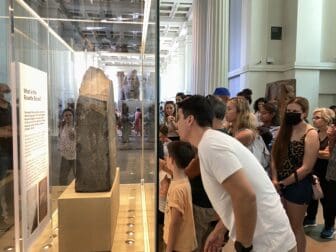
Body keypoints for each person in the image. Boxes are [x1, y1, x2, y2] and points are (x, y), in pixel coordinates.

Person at [177, 95, 296, 252]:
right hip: (271, 240)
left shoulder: (211, 145)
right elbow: (234, 194)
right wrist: (220, 229)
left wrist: (244, 246)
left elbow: (245, 195)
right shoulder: (212, 140)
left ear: (190, 119)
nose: (176, 123)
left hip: (269, 244)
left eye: (178, 117)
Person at [271, 97, 319, 252]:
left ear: (304, 113)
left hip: (298, 184)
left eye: (295, 112)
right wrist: (275, 179)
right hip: (278, 183)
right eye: (288, 111)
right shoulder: (283, 130)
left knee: (295, 226)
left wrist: (283, 183)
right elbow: (274, 156)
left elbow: (306, 167)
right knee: (282, 225)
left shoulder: (310, 133)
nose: (291, 114)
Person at [304, 108, 335, 235]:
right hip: (314, 168)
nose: (314, 120)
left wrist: (311, 152)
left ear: (327, 119)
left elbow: (328, 154)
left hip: (329, 172)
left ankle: (329, 226)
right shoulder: (314, 133)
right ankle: (311, 218)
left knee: (328, 200)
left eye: (318, 117)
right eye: (314, 117)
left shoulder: (332, 134)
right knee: (312, 196)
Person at [163, 141, 197, 252]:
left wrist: (169, 249)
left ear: (172, 160)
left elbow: (175, 222)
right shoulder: (183, 180)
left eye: (168, 156)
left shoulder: (177, 190)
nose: (166, 158)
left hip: (178, 245)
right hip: (185, 242)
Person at [0, 87, 12, 232]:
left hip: (10, 150)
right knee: (2, 183)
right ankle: (4, 214)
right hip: (2, 151)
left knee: (5, 182)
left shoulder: (8, 107)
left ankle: (5, 211)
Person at [323, 120, 336, 239]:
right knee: (330, 202)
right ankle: (329, 226)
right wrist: (331, 138)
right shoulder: (333, 130)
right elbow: (331, 152)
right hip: (333, 172)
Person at [58, 108, 76, 185]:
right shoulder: (62, 126)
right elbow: (60, 138)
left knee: (79, 176)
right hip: (65, 156)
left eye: (70, 115)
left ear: (73, 116)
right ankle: (63, 191)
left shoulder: (77, 126)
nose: (68, 117)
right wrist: (60, 148)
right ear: (63, 117)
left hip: (76, 156)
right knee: (62, 177)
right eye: (66, 115)